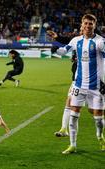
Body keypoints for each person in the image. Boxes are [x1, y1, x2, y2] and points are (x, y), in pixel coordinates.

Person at [54, 14, 105, 154]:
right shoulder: (76, 40)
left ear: (95, 25)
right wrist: (56, 49)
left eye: (91, 24)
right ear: (82, 25)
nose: (88, 26)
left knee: (98, 118)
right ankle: (73, 145)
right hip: (78, 85)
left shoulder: (100, 42)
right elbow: (65, 50)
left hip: (96, 87)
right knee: (74, 115)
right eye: (86, 23)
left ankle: (100, 136)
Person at [48, 30, 78, 137]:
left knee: (95, 111)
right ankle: (64, 129)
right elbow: (66, 47)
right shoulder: (76, 40)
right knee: (69, 102)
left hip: (92, 80)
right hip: (76, 79)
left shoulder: (96, 42)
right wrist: (56, 42)